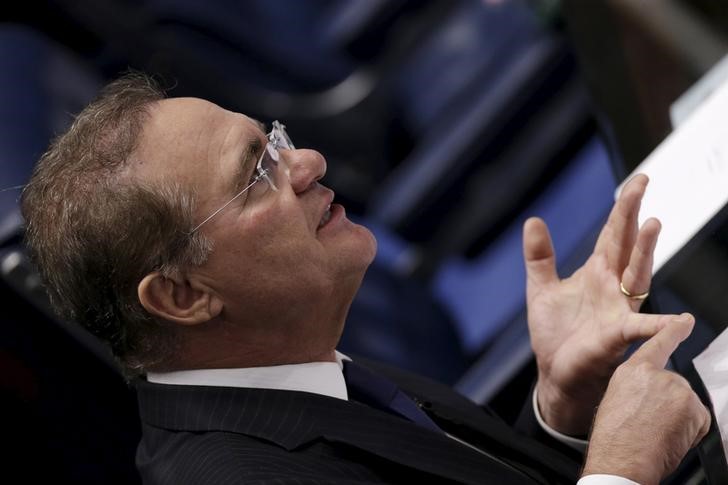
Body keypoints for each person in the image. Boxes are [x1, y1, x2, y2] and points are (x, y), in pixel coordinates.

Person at [20, 72, 711, 484]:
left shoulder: (296, 357)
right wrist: (621, 467)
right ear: (183, 295)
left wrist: (558, 411)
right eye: (257, 175)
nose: (309, 162)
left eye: (275, 142)